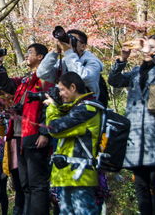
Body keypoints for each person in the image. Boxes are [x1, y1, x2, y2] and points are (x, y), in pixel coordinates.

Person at [108, 35, 155, 215]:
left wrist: (154, 54)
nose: (147, 50)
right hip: (136, 136)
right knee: (140, 183)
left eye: (153, 47)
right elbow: (114, 81)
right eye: (146, 47)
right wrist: (122, 59)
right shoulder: (136, 71)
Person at [0, 43, 53, 215]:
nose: (26, 56)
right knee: (24, 183)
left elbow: (50, 107)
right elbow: (6, 85)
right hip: (19, 136)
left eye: (30, 53)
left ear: (40, 57)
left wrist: (44, 132)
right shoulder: (26, 80)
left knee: (37, 183)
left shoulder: (46, 79)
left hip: (34, 135)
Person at [45, 72, 102, 215]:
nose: (60, 94)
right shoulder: (74, 108)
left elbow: (54, 128)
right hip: (66, 174)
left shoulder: (88, 109)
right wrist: (58, 105)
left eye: (62, 90)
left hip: (80, 175)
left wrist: (52, 107)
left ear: (73, 87)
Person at [37, 28, 103, 99]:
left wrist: (68, 52)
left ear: (83, 46)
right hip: (63, 106)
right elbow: (42, 73)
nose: (69, 42)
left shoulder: (93, 62)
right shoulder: (63, 63)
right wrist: (54, 52)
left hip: (84, 106)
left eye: (73, 39)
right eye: (68, 39)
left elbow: (82, 78)